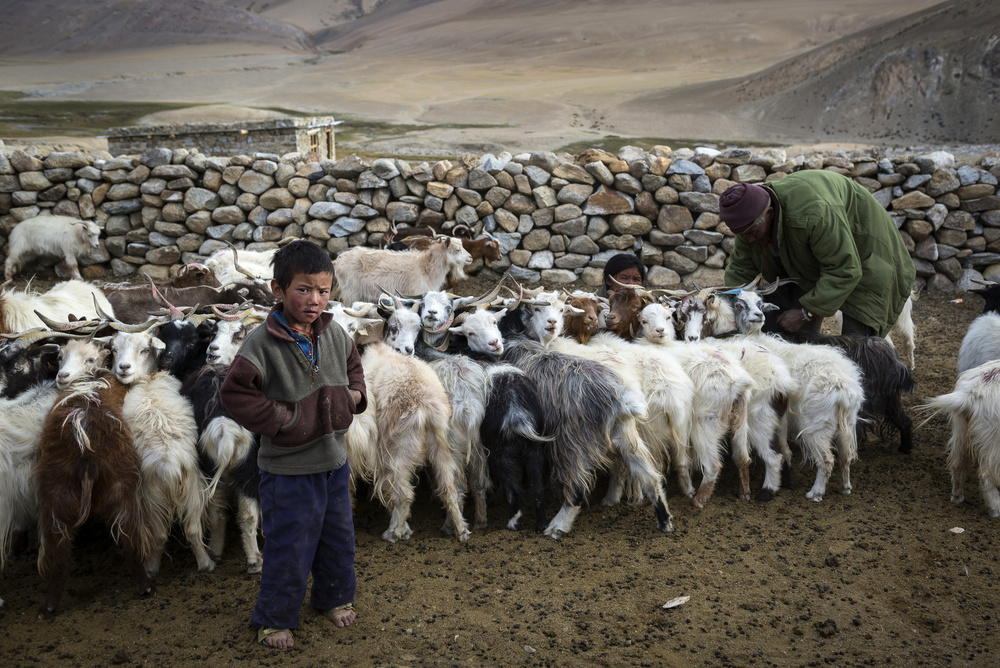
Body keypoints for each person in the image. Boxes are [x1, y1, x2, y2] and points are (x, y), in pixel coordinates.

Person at [220, 240, 367, 650]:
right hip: (287, 470)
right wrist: (285, 419)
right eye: (303, 289)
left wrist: (353, 397)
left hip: (334, 461)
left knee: (338, 537)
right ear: (278, 289)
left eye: (323, 290)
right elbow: (235, 394)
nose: (315, 299)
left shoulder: (335, 334)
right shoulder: (261, 344)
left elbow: (355, 371)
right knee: (289, 545)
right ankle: (275, 618)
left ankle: (334, 597)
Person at [719, 170, 915, 337]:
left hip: (870, 254)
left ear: (769, 215)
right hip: (825, 254)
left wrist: (806, 313)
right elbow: (740, 269)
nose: (749, 240)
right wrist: (727, 306)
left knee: (857, 347)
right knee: (792, 337)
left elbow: (845, 270)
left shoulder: (813, 215)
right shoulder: (750, 221)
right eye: (743, 236)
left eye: (752, 234)